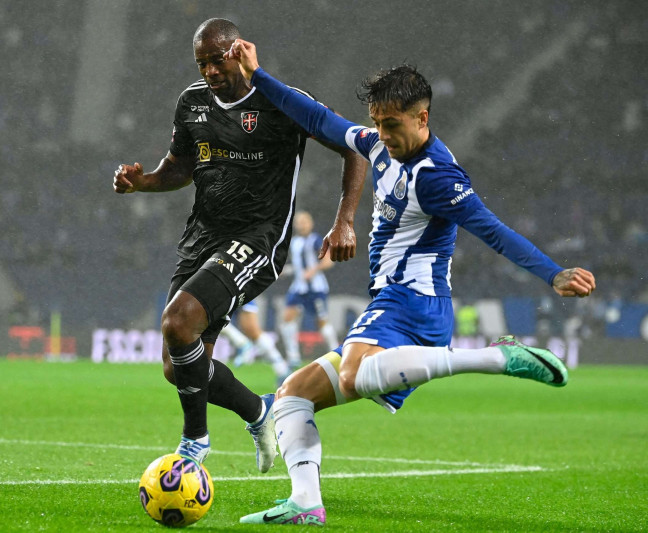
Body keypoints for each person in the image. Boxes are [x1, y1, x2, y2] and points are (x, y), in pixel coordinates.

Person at [225, 39, 596, 524]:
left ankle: (495, 356)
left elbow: (492, 229)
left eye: (393, 125)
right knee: (293, 393)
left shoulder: (437, 177)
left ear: (422, 119)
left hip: (414, 303)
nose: (383, 134)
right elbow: (317, 119)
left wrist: (553, 273)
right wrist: (257, 76)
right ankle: (305, 503)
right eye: (378, 123)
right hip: (393, 306)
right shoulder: (378, 144)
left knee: (355, 373)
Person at [112, 19, 367, 473]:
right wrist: (143, 183)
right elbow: (180, 167)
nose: (209, 70)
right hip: (202, 236)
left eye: (217, 59)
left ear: (239, 52)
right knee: (178, 365)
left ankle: (195, 441)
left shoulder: (281, 102)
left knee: (178, 319)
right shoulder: (191, 103)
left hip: (258, 237)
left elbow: (353, 147)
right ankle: (259, 411)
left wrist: (345, 220)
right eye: (201, 62)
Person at [279, 211, 340, 367]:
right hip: (299, 288)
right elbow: (298, 267)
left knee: (322, 323)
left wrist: (312, 271)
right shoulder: (294, 243)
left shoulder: (316, 240)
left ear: (311, 224)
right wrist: (286, 271)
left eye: (305, 222)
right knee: (287, 319)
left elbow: (329, 261)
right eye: (299, 222)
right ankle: (293, 357)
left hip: (316, 288)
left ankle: (337, 355)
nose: (302, 225)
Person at [220, 299, 292, 386]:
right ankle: (282, 369)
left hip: (237, 291)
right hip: (223, 290)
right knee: (210, 318)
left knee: (253, 331)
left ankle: (282, 369)